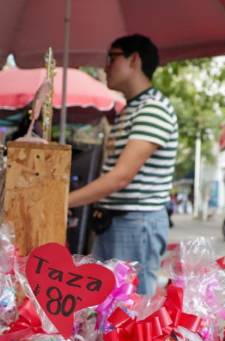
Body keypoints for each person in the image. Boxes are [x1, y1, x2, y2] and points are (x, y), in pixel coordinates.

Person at [68, 34, 178, 296]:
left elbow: (120, 177)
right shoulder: (131, 110)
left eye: (112, 57)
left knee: (129, 312)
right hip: (117, 222)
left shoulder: (152, 109)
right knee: (109, 307)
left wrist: (62, 201)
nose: (106, 66)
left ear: (134, 60)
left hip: (135, 222)